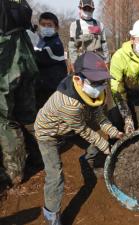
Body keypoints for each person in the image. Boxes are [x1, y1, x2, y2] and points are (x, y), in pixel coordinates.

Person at [34, 52, 123, 224]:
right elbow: (83, 130)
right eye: (95, 82)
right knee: (55, 176)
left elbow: (99, 116)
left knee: (95, 143)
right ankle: (51, 214)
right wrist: (107, 147)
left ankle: (86, 163)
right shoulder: (69, 104)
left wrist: (114, 132)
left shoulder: (95, 93)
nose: (100, 86)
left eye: (102, 82)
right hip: (48, 133)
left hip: (69, 126)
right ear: (78, 80)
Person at [0, 0, 39, 186]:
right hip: (25, 58)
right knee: (28, 115)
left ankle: (14, 173)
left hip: (6, 65)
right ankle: (40, 157)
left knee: (4, 120)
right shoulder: (18, 2)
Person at [34, 12, 67, 109]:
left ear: (56, 28)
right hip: (42, 86)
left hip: (53, 87)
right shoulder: (41, 41)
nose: (46, 27)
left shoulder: (56, 44)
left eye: (49, 25)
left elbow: (40, 57)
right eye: (43, 25)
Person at [68, 0, 110, 71]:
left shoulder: (99, 24)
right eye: (85, 9)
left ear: (93, 10)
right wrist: (74, 63)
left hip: (97, 61)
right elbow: (72, 47)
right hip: (81, 62)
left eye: (89, 9)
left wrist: (107, 61)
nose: (87, 11)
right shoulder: (74, 25)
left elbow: (104, 44)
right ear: (80, 9)